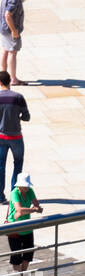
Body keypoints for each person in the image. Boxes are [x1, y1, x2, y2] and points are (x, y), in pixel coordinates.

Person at [0, 70, 29, 206]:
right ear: (9, 81)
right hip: (16, 137)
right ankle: (14, 195)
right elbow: (26, 116)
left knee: (1, 166)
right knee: (18, 164)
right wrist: (19, 118)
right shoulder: (18, 97)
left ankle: (0, 196)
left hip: (1, 137)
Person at [4, 172, 42, 275]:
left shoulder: (30, 191)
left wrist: (35, 209)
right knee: (16, 257)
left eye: (27, 186)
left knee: (28, 255)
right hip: (14, 228)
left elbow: (37, 206)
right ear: (19, 185)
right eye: (24, 186)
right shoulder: (14, 193)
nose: (26, 188)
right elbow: (19, 210)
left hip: (27, 227)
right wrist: (33, 210)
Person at [1, 0, 34, 86]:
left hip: (3, 28)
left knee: (6, 50)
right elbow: (8, 15)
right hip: (10, 29)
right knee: (12, 52)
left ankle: (3, 75)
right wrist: (14, 31)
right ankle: (13, 79)